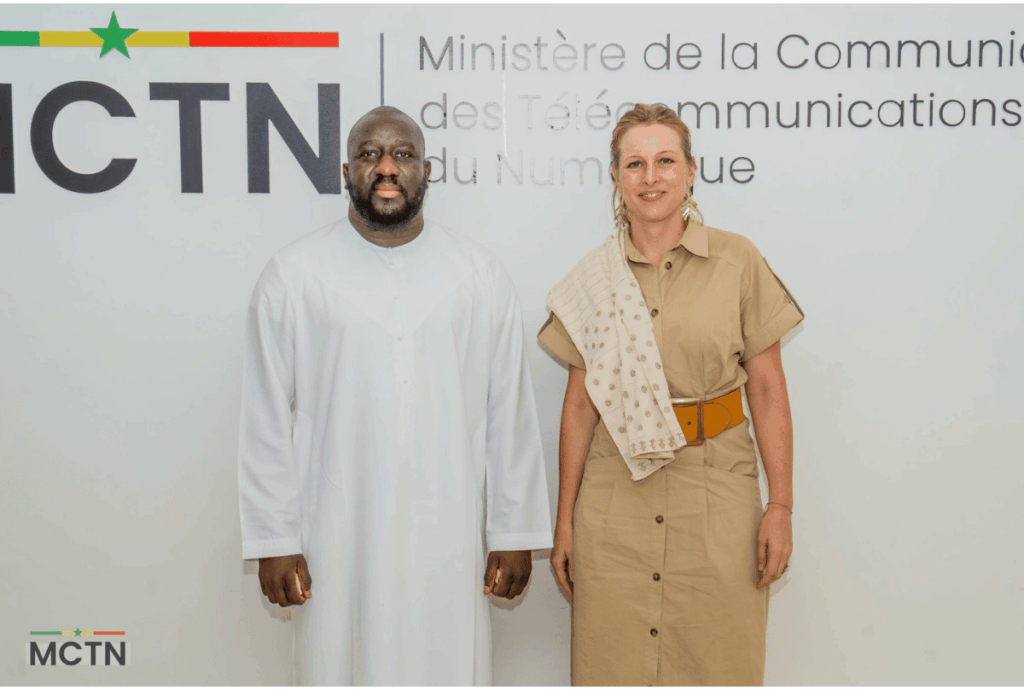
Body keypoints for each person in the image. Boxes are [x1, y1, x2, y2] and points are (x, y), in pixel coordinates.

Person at [237, 106, 552, 685]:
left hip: (449, 532)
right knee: (339, 661)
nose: (386, 167)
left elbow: (508, 409)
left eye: (402, 154)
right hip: (336, 534)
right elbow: (263, 418)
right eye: (369, 154)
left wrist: (514, 534)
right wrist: (274, 539)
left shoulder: (478, 275)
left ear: (426, 170)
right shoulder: (294, 275)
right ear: (345, 172)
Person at [539, 103, 803, 686]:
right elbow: (579, 407)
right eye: (635, 164)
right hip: (614, 500)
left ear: (691, 171)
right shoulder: (593, 280)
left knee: (719, 664)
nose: (650, 177)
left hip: (718, 493)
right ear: (616, 177)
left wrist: (780, 506)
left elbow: (767, 389)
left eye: (665, 161)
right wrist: (564, 524)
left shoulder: (737, 261)